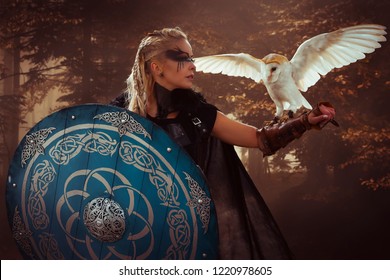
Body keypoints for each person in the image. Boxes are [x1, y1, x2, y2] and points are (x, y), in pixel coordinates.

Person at [110, 27, 336, 259]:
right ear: (156, 67)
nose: (193, 65)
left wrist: (306, 121)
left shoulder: (197, 115)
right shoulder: (115, 117)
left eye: (191, 58)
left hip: (187, 238)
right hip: (130, 238)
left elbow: (260, 139)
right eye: (182, 58)